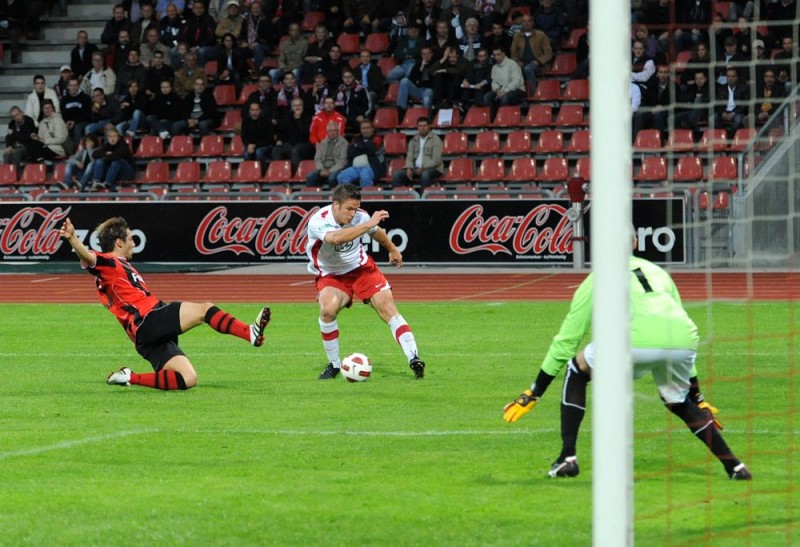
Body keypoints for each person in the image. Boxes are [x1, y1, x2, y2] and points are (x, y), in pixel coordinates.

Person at [502, 228, 752, 481]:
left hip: (633, 342)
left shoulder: (598, 278)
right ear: (634, 242)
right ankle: (735, 467)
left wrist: (535, 391)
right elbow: (675, 321)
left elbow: (567, 339)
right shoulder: (659, 272)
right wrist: (697, 395)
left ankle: (567, 457)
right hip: (684, 340)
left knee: (577, 369)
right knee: (678, 401)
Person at [58, 216, 271, 391]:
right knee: (205, 309)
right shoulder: (109, 262)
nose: (134, 243)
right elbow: (89, 258)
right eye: (130, 238)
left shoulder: (117, 266)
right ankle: (249, 333)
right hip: (148, 319)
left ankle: (129, 377)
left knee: (188, 378)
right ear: (119, 242)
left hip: (143, 337)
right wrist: (73, 238)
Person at [306, 184, 426, 380]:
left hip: (362, 270)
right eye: (349, 209)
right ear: (335, 205)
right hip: (332, 275)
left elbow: (376, 232)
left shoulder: (361, 217)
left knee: (388, 309)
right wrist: (368, 224)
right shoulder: (318, 220)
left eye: (356, 209)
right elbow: (335, 238)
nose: (353, 214)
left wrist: (392, 249)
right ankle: (334, 364)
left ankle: (414, 358)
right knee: (327, 310)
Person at [391, 116, 442, 189]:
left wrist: (424, 167)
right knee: (397, 174)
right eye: (420, 126)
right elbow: (409, 157)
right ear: (417, 127)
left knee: (425, 175)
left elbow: (436, 160)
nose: (422, 128)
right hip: (415, 168)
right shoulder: (413, 141)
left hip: (433, 168)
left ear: (429, 127)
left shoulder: (436, 140)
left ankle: (423, 196)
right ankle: (397, 195)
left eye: (424, 125)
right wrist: (409, 167)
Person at [509, 14, 552, 96]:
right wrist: (517, 61)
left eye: (529, 21)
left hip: (538, 64)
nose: (526, 23)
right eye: (524, 21)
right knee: (512, 69)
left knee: (528, 69)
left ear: (532, 23)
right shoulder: (517, 36)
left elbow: (548, 53)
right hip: (522, 63)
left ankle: (534, 93)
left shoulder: (541, 35)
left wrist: (538, 61)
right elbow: (513, 53)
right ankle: (515, 95)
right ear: (521, 23)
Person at [336, 119, 386, 187]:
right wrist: (364, 146)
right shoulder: (356, 138)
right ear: (361, 130)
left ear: (372, 129)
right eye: (363, 128)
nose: (366, 130)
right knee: (341, 177)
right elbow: (350, 152)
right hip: (355, 167)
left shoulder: (377, 138)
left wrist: (358, 146)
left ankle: (367, 194)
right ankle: (352, 192)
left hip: (371, 167)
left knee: (365, 178)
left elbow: (371, 148)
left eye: (368, 128)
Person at [88, 127, 135, 191]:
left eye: (114, 136)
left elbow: (118, 156)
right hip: (113, 172)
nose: (112, 139)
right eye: (110, 137)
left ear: (118, 137)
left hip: (127, 172)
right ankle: (96, 182)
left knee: (117, 161)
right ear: (108, 138)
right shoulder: (107, 145)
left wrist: (108, 156)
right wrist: (105, 154)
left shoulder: (123, 145)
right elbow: (94, 154)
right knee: (99, 160)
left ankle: (107, 183)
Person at [272, 97, 314, 168]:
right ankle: (279, 171)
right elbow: (281, 130)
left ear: (302, 106)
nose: (297, 107)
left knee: (295, 150)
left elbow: (306, 132)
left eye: (299, 105)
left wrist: (299, 119)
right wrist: (279, 140)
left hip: (304, 144)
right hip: (289, 144)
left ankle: (295, 173)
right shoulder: (287, 117)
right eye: (295, 105)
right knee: (276, 150)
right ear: (292, 107)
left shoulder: (308, 117)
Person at [307, 121, 348, 187]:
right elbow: (317, 158)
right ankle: (311, 193)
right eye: (330, 131)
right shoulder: (323, 142)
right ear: (327, 132)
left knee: (331, 178)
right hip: (323, 168)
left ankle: (333, 193)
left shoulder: (344, 143)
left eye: (334, 131)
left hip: (336, 169)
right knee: (310, 176)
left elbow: (342, 161)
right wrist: (321, 169)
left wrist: (330, 171)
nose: (332, 133)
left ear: (338, 131)